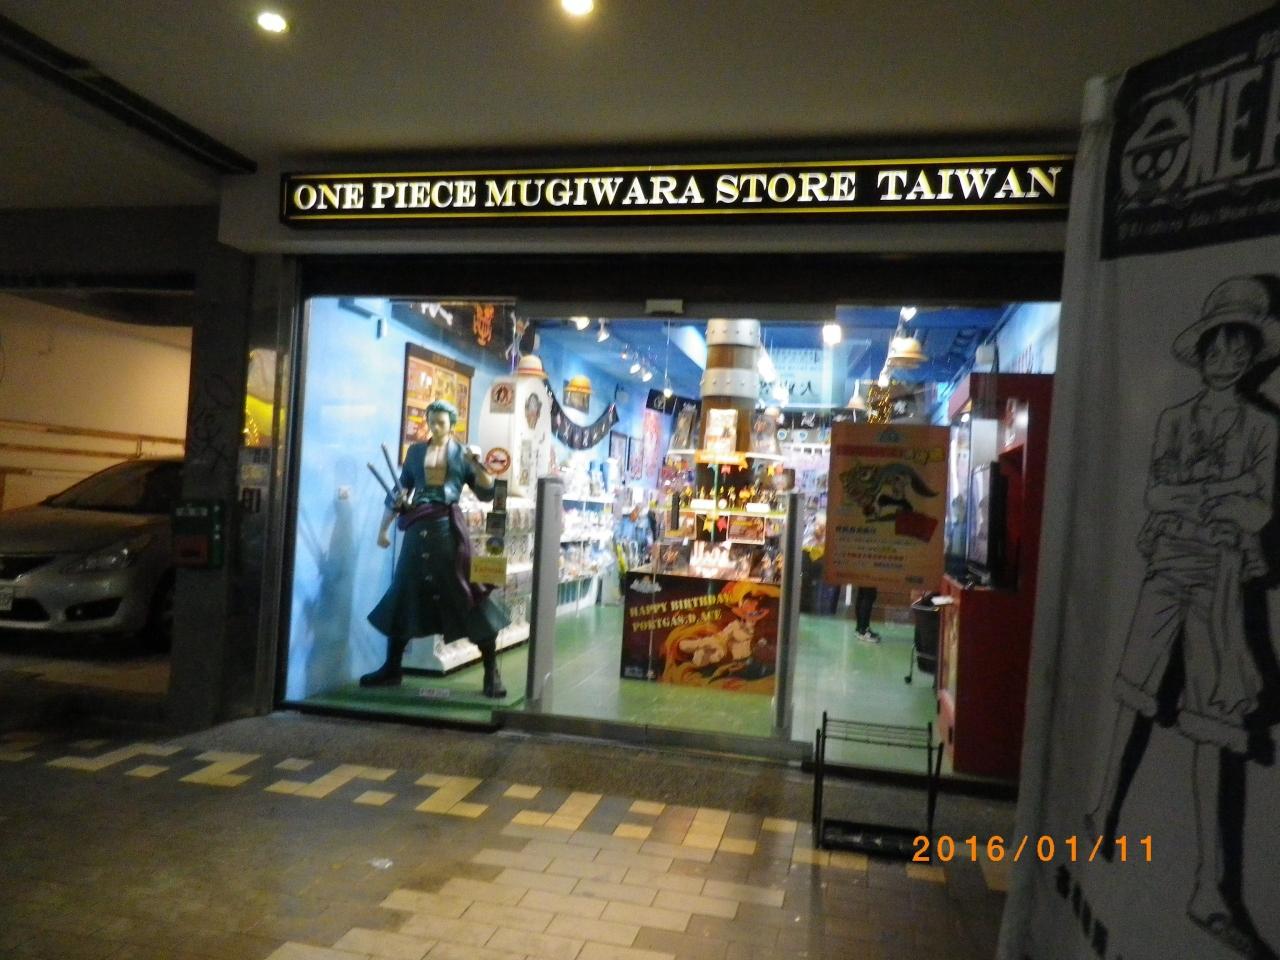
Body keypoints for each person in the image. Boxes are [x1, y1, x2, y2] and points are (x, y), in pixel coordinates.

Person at [1084, 276, 1279, 959]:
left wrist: (1206, 497)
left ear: (1252, 354)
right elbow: (1157, 494)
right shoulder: (1173, 419)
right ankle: (1101, 812)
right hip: (1170, 567)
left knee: (1214, 721)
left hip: (1221, 579)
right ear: (1201, 353)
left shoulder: (1263, 428)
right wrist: (1224, 492)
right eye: (1216, 347)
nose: (1226, 359)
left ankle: (1208, 884)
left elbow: (1258, 509)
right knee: (1132, 692)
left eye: (1238, 347)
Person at [364, 399, 510, 697]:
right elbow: (400, 490)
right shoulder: (416, 452)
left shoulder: (462, 454)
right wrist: (383, 528)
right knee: (404, 593)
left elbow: (486, 491)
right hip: (416, 531)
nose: (435, 427)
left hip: (448, 533)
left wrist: (477, 464)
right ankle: (392, 667)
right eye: (431, 421)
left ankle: (491, 671)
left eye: (441, 422)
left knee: (469, 594)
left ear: (452, 424)